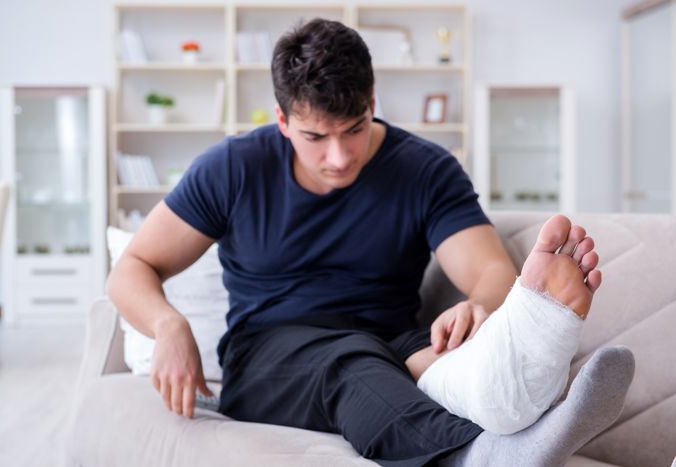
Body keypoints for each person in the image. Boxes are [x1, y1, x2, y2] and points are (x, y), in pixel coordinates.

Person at [107, 18, 634, 466]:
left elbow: (492, 273)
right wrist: (167, 324)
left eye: (354, 129)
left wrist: (477, 305)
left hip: (390, 342)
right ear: (282, 121)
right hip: (267, 355)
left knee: (436, 359)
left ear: (373, 102)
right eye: (316, 137)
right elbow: (132, 266)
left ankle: (515, 397)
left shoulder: (424, 169)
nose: (338, 156)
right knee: (349, 363)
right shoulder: (232, 168)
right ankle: (477, 456)